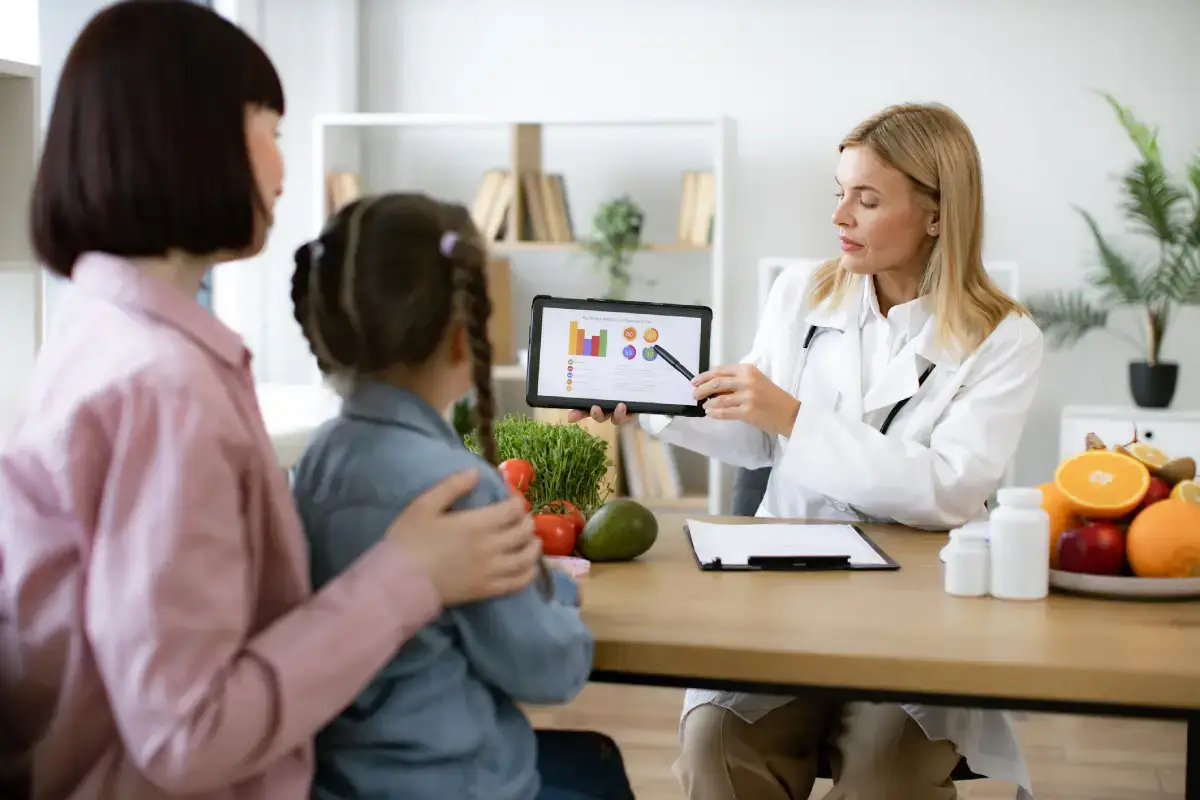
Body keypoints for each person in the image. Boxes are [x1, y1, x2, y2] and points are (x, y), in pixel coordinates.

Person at [0, 3, 542, 798]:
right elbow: (189, 734)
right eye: (272, 129)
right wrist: (407, 576)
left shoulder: (95, 334)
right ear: (192, 137)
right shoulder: (164, 391)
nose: (284, 166)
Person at [572, 102, 1043, 800]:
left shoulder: (1004, 338)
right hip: (784, 589)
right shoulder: (803, 292)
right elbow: (759, 437)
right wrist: (650, 406)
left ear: (938, 215)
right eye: (840, 192)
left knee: (885, 776)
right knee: (715, 745)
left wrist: (794, 416)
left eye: (867, 200)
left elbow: (949, 488)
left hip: (915, 610)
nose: (839, 216)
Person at [288, 192, 635, 800]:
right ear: (461, 338)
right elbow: (551, 671)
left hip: (338, 785)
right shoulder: (459, 486)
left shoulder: (313, 464)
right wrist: (558, 596)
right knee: (597, 768)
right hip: (456, 784)